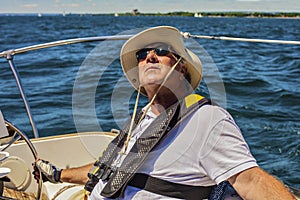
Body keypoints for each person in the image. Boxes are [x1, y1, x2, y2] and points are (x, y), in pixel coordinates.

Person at [34, 26, 296, 200]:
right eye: (142, 54)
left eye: (160, 51)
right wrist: (58, 175)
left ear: (182, 69)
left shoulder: (206, 119)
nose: (150, 57)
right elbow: (109, 168)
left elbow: (250, 181)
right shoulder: (140, 120)